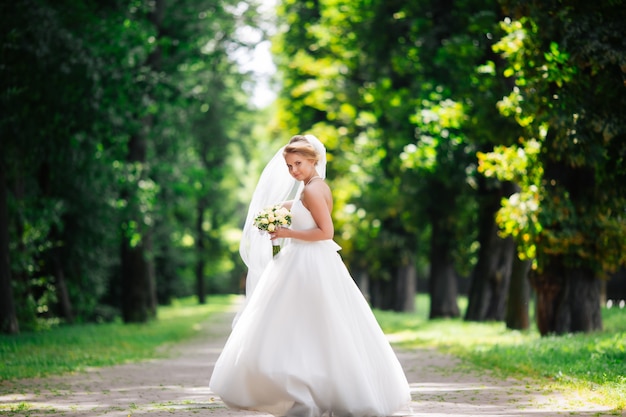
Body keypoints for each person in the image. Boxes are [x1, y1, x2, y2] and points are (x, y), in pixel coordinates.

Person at [209, 134, 411, 417]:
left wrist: (286, 232)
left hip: (309, 263)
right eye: (290, 166)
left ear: (314, 159)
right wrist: (278, 211)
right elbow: (304, 210)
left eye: (298, 164)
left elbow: (325, 233)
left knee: (309, 325)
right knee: (309, 328)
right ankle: (307, 390)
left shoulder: (312, 190)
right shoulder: (313, 187)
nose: (294, 171)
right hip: (306, 261)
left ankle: (309, 391)